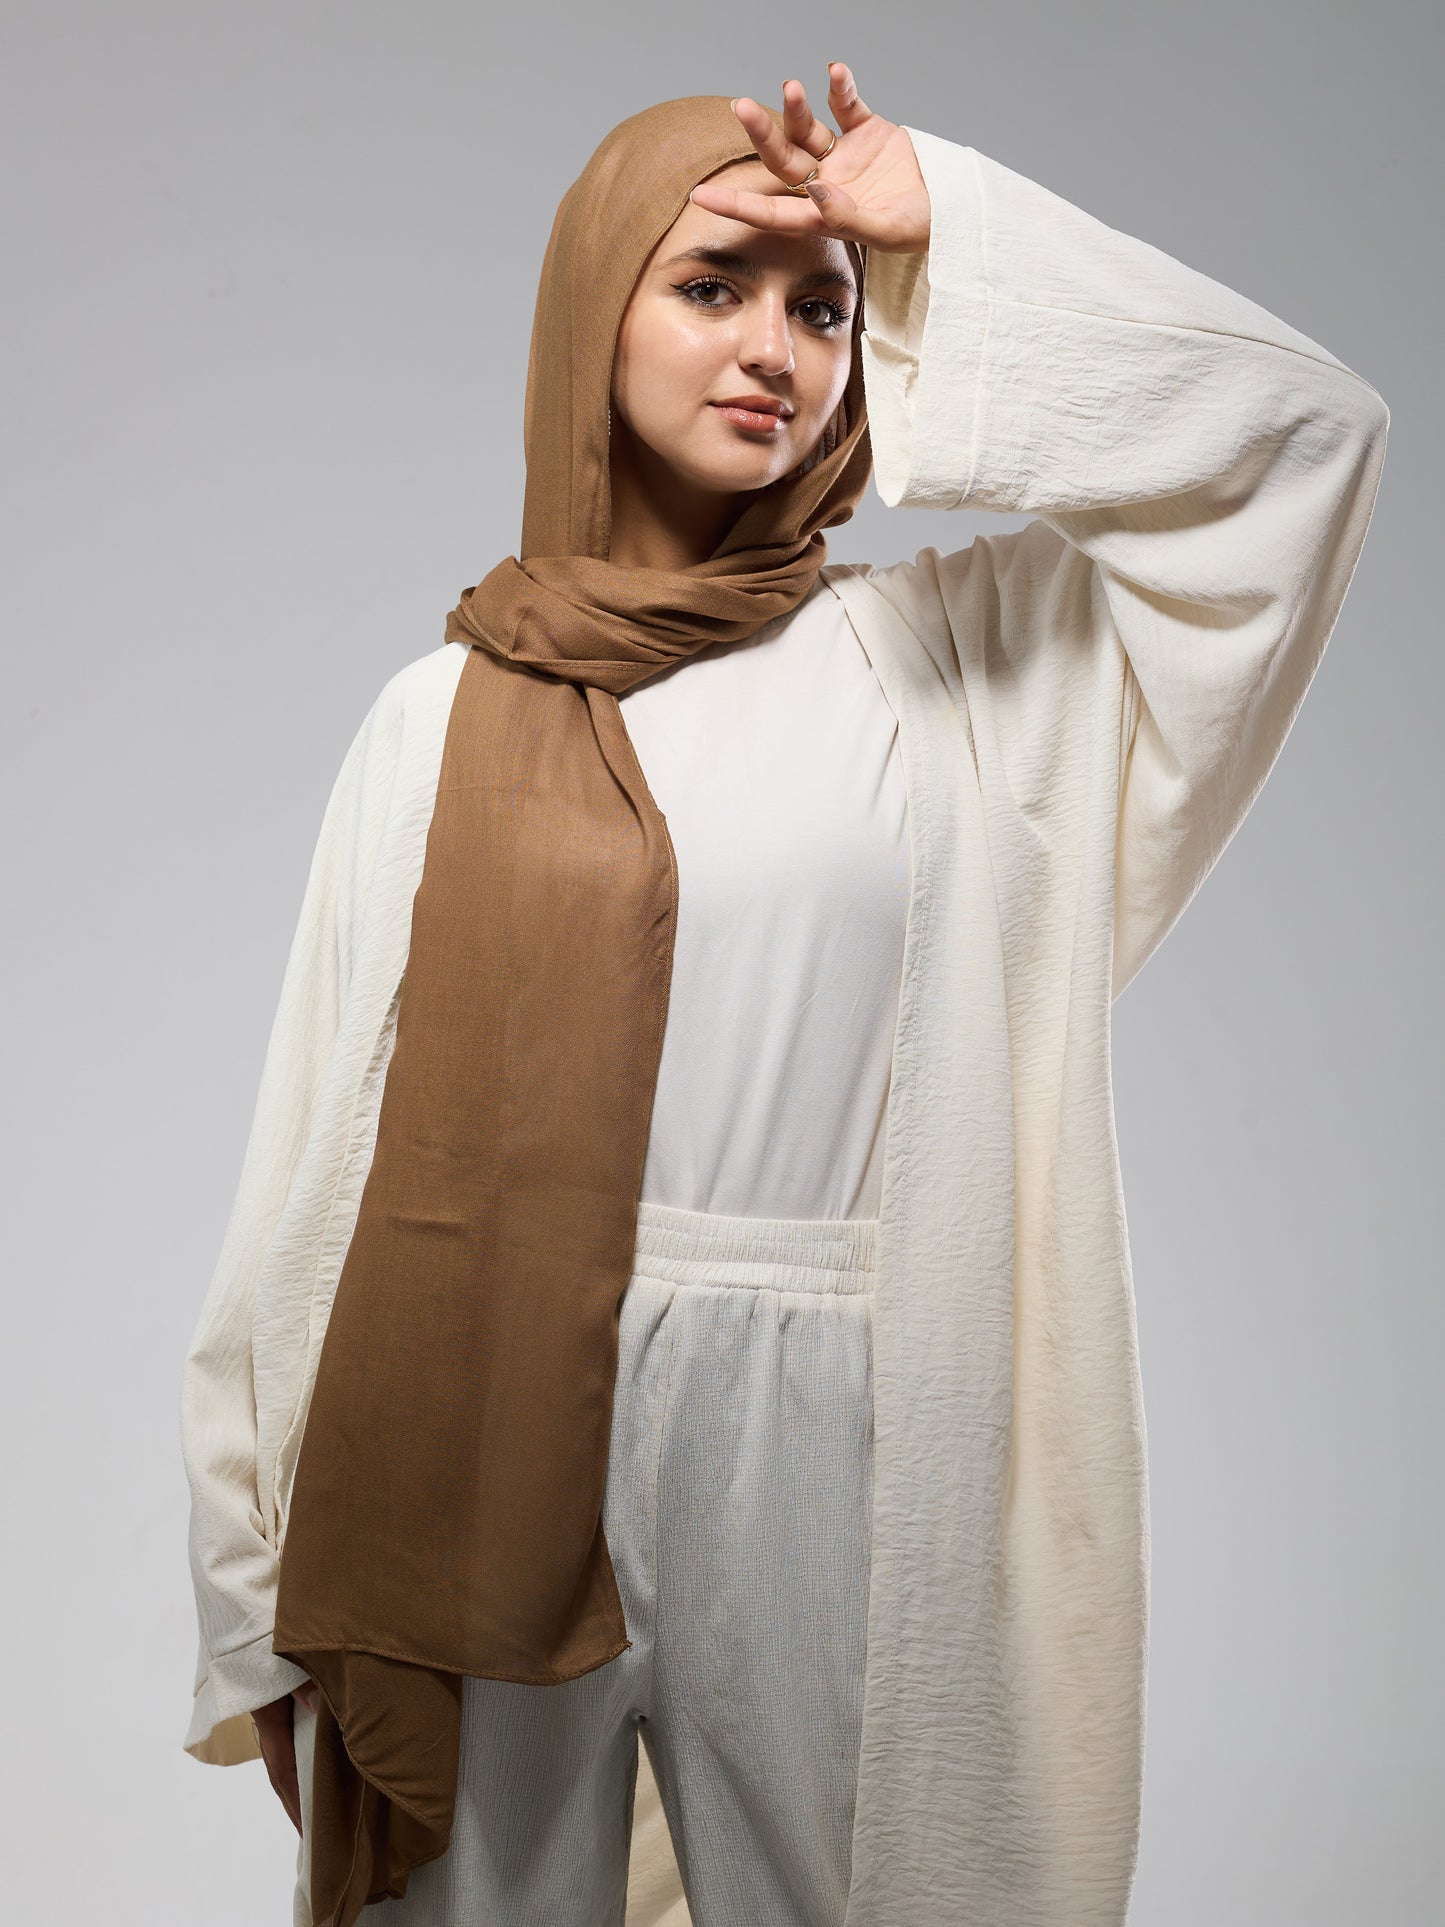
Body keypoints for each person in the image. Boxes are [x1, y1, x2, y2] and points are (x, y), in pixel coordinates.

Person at [179, 62, 1389, 1927]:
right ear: (593, 313)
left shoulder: (959, 666)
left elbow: (1302, 439)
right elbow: (311, 1164)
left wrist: (947, 232)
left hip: (832, 1407)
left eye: (824, 310)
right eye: (709, 287)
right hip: (469, 1410)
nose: (775, 351)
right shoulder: (442, 712)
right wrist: (256, 1587)